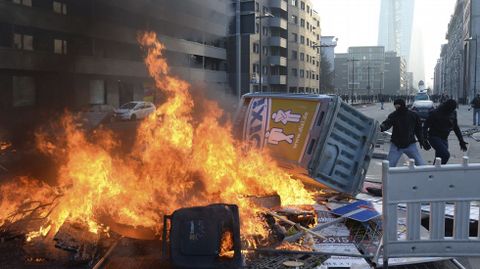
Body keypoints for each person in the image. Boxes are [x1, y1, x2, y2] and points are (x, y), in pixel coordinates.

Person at [380, 98, 427, 167]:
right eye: (396, 107)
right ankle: (387, 177)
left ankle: (426, 176)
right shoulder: (394, 115)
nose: (397, 109)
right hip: (397, 145)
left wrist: (422, 140)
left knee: (421, 165)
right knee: (389, 167)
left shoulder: (413, 115)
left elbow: (418, 129)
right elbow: (387, 123)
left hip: (410, 144)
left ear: (402, 105)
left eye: (398, 107)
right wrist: (381, 127)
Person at [423, 99, 468, 164]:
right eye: (451, 109)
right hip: (434, 137)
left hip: (444, 138)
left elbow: (456, 127)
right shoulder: (435, 113)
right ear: (447, 108)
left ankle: (435, 172)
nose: (452, 111)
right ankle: (437, 171)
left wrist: (461, 141)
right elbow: (425, 126)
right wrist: (424, 140)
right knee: (446, 155)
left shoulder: (453, 112)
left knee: (439, 158)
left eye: (454, 109)